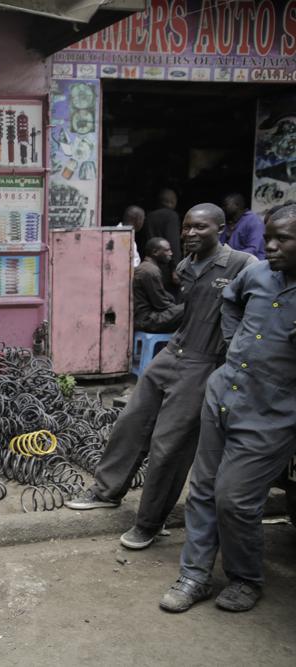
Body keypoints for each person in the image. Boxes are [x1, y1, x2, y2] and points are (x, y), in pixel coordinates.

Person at [67, 204, 256, 551]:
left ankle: (149, 523)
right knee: (131, 421)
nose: (191, 234)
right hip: (173, 352)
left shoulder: (243, 265)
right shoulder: (185, 266)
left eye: (201, 227)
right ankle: (107, 491)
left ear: (219, 229)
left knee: (170, 444)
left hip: (205, 362)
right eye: (186, 227)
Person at [160, 204, 296, 613]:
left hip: (273, 411)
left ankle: (245, 578)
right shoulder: (255, 275)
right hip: (223, 395)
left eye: (282, 239)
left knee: (234, 498)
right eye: (268, 236)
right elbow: (230, 303)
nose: (269, 246)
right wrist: (234, 343)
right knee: (202, 489)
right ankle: (195, 576)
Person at [134, 237, 184, 334]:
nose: (171, 253)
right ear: (155, 252)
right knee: (190, 307)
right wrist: (177, 309)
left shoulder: (146, 268)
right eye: (167, 250)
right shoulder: (150, 271)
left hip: (145, 318)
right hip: (147, 320)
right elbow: (161, 304)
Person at [220, 193, 265, 260]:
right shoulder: (228, 222)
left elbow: (253, 249)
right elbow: (221, 245)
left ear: (237, 205)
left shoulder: (254, 221)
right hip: (233, 262)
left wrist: (228, 256)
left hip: (252, 264)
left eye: (225, 205)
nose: (223, 208)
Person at [143, 188, 181, 265]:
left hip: (151, 261)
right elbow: (174, 242)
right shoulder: (171, 216)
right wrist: (176, 266)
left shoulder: (149, 216)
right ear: (172, 201)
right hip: (165, 262)